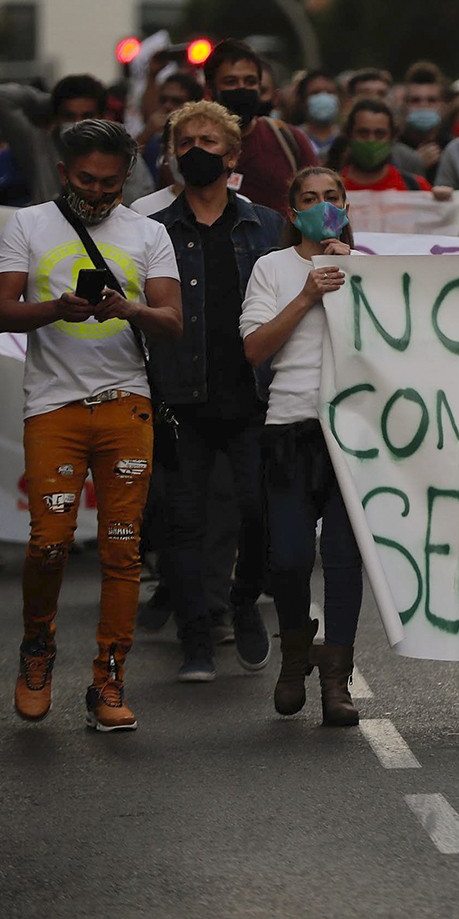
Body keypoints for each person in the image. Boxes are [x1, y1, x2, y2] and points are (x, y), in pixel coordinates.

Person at [0, 119, 183, 732]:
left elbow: (173, 321)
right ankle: (37, 648)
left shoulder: (150, 234)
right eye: (84, 181)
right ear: (64, 173)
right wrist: (56, 309)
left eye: (108, 183)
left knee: (123, 546)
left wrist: (128, 307)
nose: (96, 193)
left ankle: (109, 679)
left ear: (127, 177)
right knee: (49, 541)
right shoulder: (28, 224)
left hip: (128, 403)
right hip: (54, 405)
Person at [145, 101, 285, 682]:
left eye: (208, 141)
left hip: (252, 397)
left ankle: (242, 597)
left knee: (259, 513)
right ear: (173, 155)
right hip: (180, 397)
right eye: (185, 141)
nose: (195, 149)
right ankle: (195, 637)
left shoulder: (268, 225)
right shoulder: (150, 229)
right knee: (183, 522)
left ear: (232, 156)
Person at [240, 166, 365, 725]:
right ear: (291, 213)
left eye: (330, 197)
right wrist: (308, 292)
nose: (321, 206)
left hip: (355, 434)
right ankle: (295, 657)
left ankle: (336, 680)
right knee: (288, 559)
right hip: (290, 428)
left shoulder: (369, 269)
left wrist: (351, 273)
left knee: (343, 558)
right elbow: (253, 350)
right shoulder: (272, 268)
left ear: (346, 204)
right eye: (309, 199)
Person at [0, 73, 154, 208]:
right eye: (69, 116)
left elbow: (138, 205)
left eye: (87, 116)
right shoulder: (40, 147)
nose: (78, 124)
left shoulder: (122, 154)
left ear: (103, 117)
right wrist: (51, 102)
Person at [203, 40, 318, 214]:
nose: (242, 88)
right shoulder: (194, 144)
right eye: (231, 81)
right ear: (210, 90)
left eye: (250, 81)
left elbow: (318, 204)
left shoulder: (289, 140)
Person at [338, 99, 439, 194]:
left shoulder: (416, 187)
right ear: (349, 135)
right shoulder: (330, 189)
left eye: (380, 134)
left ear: (392, 138)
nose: (371, 140)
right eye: (363, 133)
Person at [399, 62, 450, 181]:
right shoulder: (393, 149)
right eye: (415, 100)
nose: (423, 105)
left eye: (431, 100)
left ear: (442, 107)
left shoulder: (453, 148)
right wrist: (414, 164)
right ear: (404, 107)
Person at [295, 70, 344, 164]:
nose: (323, 97)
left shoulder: (346, 137)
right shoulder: (293, 137)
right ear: (302, 100)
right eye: (315, 93)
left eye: (330, 92)